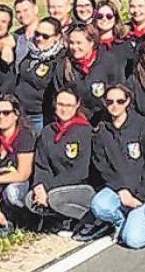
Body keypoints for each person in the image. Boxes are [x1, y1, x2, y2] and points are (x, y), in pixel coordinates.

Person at [87, 85, 145, 248]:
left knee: (134, 241)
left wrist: (140, 197)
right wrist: (122, 189)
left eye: (120, 101)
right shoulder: (100, 129)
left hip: (143, 192)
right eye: (110, 101)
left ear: (128, 101)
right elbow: (102, 166)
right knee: (99, 206)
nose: (115, 105)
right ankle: (121, 221)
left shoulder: (143, 126)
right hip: (117, 189)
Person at [27, 89, 96, 233]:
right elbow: (42, 165)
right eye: (60, 104)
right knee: (30, 199)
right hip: (54, 187)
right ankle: (59, 220)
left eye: (69, 105)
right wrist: (40, 186)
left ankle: (88, 220)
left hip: (81, 186)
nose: (64, 109)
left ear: (77, 105)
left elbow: (81, 171)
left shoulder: (86, 132)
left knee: (54, 198)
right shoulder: (48, 132)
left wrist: (49, 188)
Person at [0, 96, 37, 236]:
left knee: (12, 193)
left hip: (22, 187)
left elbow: (23, 174)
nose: (1, 117)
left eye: (6, 112)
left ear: (16, 114)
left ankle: (28, 220)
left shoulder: (25, 137)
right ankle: (6, 219)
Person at [51, 24, 124, 124]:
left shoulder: (109, 62)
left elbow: (120, 90)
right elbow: (58, 95)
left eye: (79, 43)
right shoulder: (63, 65)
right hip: (75, 123)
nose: (74, 47)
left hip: (104, 122)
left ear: (91, 42)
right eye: (71, 43)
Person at [13, 17, 65, 133]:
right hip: (20, 112)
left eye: (45, 36)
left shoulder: (59, 60)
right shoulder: (32, 52)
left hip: (38, 116)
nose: (39, 39)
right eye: (37, 34)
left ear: (57, 37)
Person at [92, 0, 131, 75]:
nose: (104, 19)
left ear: (115, 19)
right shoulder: (91, 45)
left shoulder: (125, 46)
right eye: (100, 16)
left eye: (109, 16)